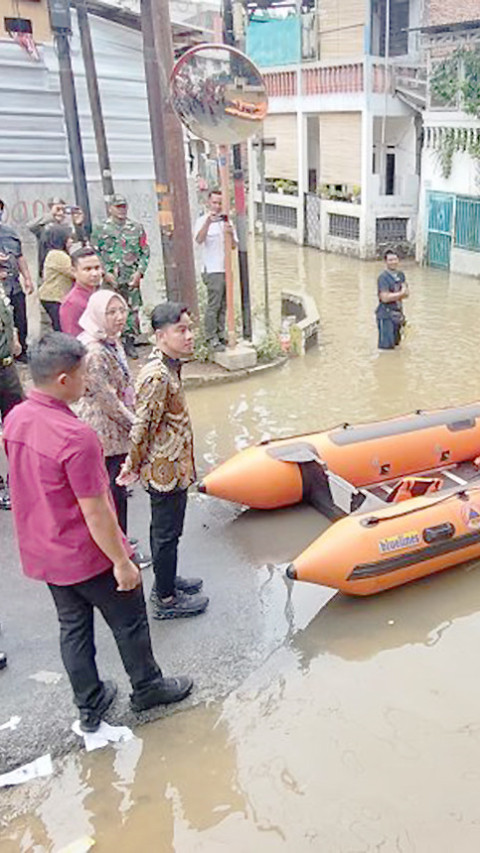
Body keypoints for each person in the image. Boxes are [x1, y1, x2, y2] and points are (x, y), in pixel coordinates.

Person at [3, 332, 193, 733]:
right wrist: (122, 561)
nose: (88, 381)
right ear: (62, 381)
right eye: (83, 374)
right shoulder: (77, 437)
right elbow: (96, 511)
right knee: (129, 622)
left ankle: (90, 705)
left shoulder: (16, 418)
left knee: (72, 627)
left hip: (45, 550)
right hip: (85, 553)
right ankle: (147, 687)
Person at [117, 303, 209, 620]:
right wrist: (131, 464)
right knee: (165, 534)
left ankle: (168, 581)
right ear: (160, 335)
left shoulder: (170, 365)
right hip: (163, 469)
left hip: (175, 464)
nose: (189, 336)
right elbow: (142, 426)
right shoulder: (156, 376)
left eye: (189, 328)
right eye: (181, 330)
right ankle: (165, 599)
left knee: (172, 531)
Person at [76, 290, 135, 534]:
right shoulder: (95, 351)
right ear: (98, 314)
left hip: (113, 428)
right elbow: (107, 399)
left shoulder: (109, 339)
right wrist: (136, 424)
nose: (119, 317)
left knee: (115, 489)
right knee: (113, 491)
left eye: (121, 310)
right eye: (111, 312)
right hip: (104, 432)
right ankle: (119, 548)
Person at [92, 194, 150, 359]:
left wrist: (139, 273)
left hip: (131, 277)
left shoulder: (136, 228)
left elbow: (145, 252)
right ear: (110, 209)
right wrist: (104, 273)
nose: (121, 210)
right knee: (110, 310)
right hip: (111, 279)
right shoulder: (101, 229)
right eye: (118, 207)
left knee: (131, 311)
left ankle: (129, 342)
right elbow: (95, 252)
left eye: (123, 206)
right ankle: (111, 344)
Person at [194, 188, 237, 352]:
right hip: (212, 270)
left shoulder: (227, 221)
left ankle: (220, 334)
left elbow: (233, 245)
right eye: (215, 203)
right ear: (208, 203)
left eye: (220, 203)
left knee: (224, 304)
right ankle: (210, 337)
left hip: (226, 268)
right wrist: (208, 222)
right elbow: (199, 239)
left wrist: (231, 233)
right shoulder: (202, 220)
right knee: (214, 304)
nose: (217, 206)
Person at [0, 255, 24, 510]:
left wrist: (14, 337)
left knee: (18, 421)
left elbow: (9, 317)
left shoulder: (2, 291)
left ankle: (18, 478)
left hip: (6, 366)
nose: (5, 273)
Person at [0, 199, 34, 362]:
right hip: (1, 290)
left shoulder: (10, 233)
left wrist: (27, 278)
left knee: (21, 319)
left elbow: (20, 257)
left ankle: (22, 351)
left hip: (14, 286)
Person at [28, 197, 88, 279]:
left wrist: (78, 225)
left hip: (64, 267)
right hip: (46, 270)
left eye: (63, 210)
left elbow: (79, 240)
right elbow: (31, 226)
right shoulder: (44, 228)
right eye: (58, 209)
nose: (61, 213)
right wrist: (52, 215)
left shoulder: (67, 228)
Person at [38, 225, 74, 331]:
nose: (71, 241)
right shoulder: (58, 255)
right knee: (61, 328)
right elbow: (75, 272)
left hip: (51, 297)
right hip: (54, 298)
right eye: (69, 238)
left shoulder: (53, 253)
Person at [60, 247, 102, 337]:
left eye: (97, 268)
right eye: (87, 269)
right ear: (74, 271)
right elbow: (73, 338)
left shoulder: (98, 295)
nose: (94, 273)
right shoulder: (72, 303)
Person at [376, 250, 409, 350]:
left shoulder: (401, 275)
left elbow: (407, 293)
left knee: (396, 345)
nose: (393, 262)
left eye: (395, 259)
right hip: (385, 315)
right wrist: (401, 294)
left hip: (398, 315)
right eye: (390, 260)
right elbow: (384, 298)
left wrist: (400, 294)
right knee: (386, 348)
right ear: (385, 262)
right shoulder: (383, 278)